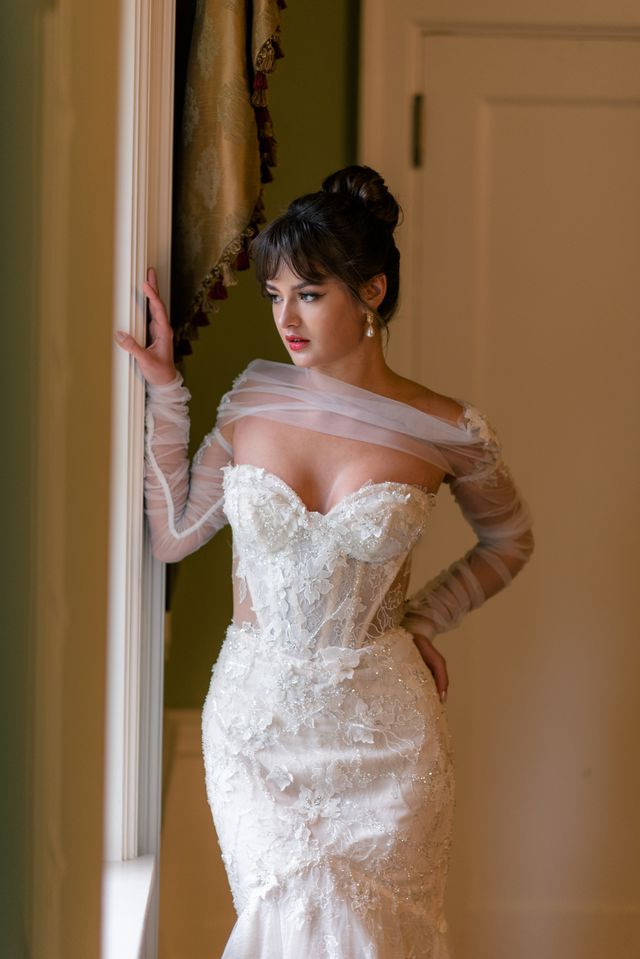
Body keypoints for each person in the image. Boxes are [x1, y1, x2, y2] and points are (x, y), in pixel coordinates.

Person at [116, 165, 534, 958]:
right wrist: (166, 392)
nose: (286, 318)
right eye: (275, 294)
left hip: (387, 737)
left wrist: (422, 618)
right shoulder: (252, 402)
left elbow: (509, 540)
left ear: (372, 291)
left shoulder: (444, 429)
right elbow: (174, 532)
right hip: (259, 729)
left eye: (309, 293)